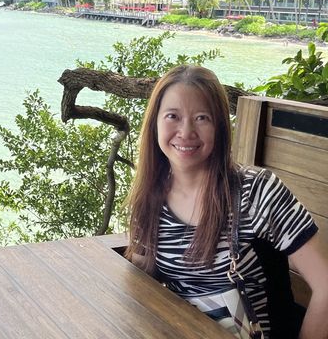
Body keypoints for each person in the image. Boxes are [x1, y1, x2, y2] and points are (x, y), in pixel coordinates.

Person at [124, 64, 328, 339]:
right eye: (173, 116)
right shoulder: (150, 195)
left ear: (220, 126)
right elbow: (140, 276)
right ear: (155, 124)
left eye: (202, 118)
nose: (186, 132)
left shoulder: (257, 191)